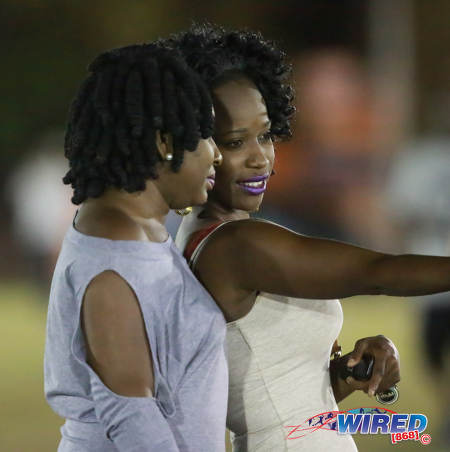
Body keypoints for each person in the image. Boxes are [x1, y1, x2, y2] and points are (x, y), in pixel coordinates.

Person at [166, 25, 450, 451]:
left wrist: (351, 372)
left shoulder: (213, 236)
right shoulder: (236, 245)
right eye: (235, 141)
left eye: (265, 135)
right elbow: (378, 273)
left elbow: (277, 401)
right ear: (195, 144)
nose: (260, 156)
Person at [44, 44, 226, 451]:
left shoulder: (136, 234)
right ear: (164, 142)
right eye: (204, 135)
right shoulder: (116, 256)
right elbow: (134, 422)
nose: (216, 154)